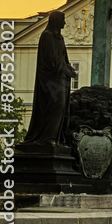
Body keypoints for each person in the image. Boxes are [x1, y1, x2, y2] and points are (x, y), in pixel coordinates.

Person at [22, 11, 76, 147]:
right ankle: (47, 138)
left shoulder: (60, 38)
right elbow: (51, 60)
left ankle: (56, 138)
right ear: (56, 21)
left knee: (62, 108)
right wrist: (63, 68)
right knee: (55, 106)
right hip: (50, 81)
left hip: (60, 79)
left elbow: (64, 58)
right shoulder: (47, 36)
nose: (64, 23)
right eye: (62, 20)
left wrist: (69, 68)